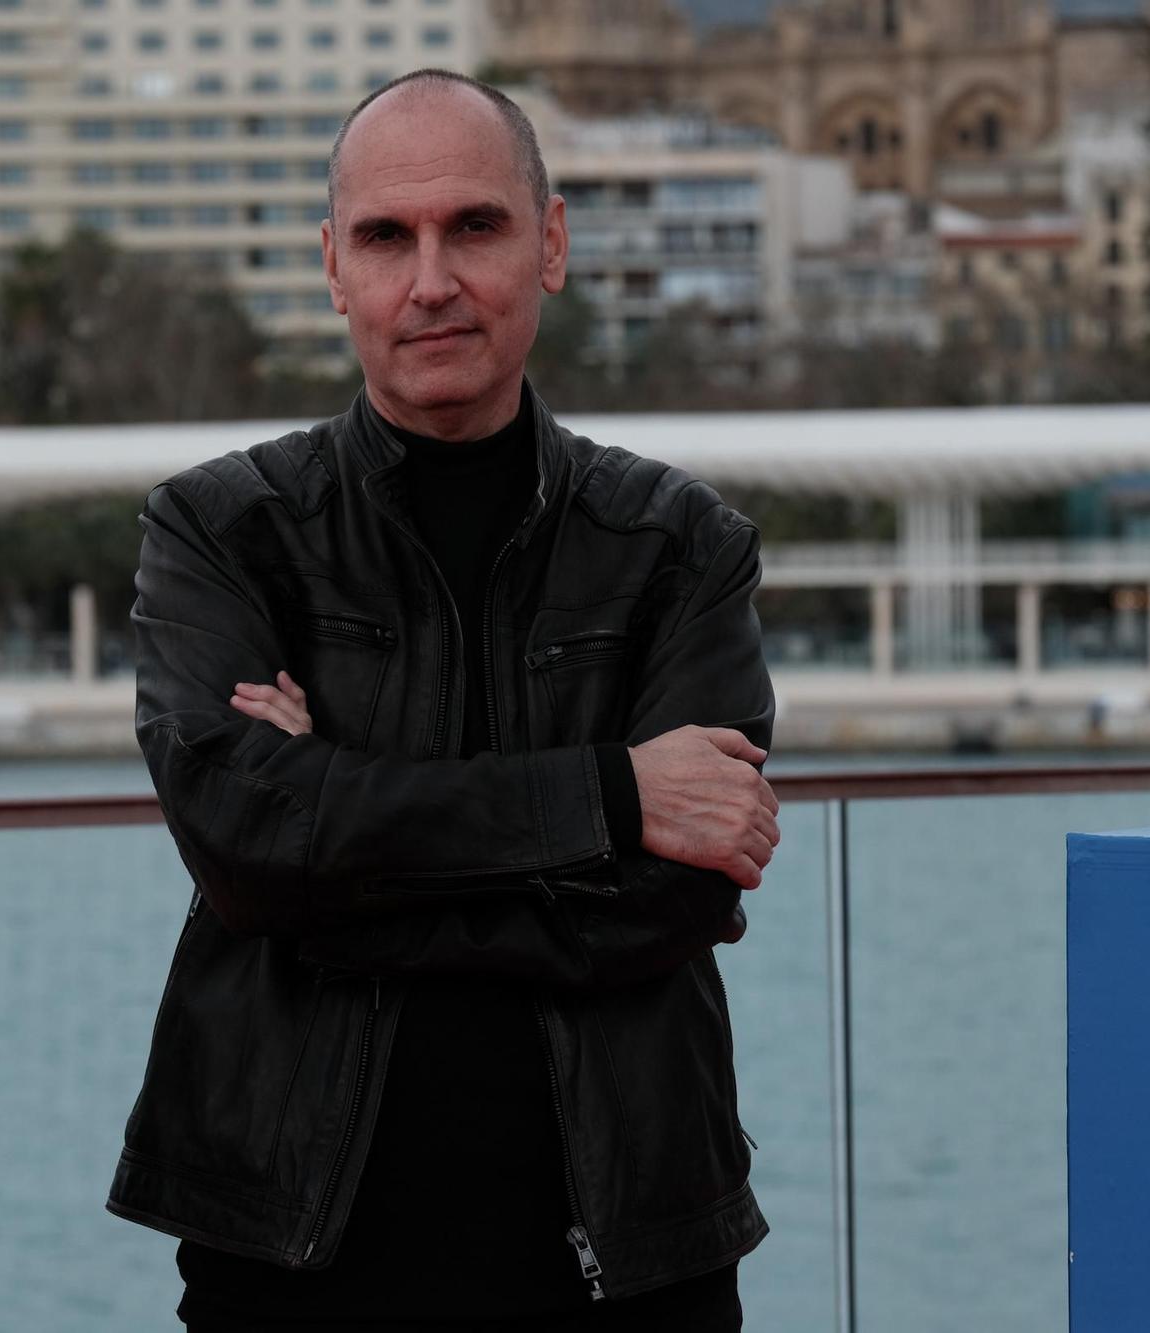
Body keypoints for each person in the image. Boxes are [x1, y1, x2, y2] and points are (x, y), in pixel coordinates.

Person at [108, 67, 782, 1331]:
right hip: (292, 1255)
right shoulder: (218, 531)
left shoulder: (679, 543)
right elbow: (249, 848)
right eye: (385, 237)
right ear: (333, 266)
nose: (430, 280)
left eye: (473, 226)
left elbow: (675, 895)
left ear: (552, 244)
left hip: (631, 1251)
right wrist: (608, 792)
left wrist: (332, 869)